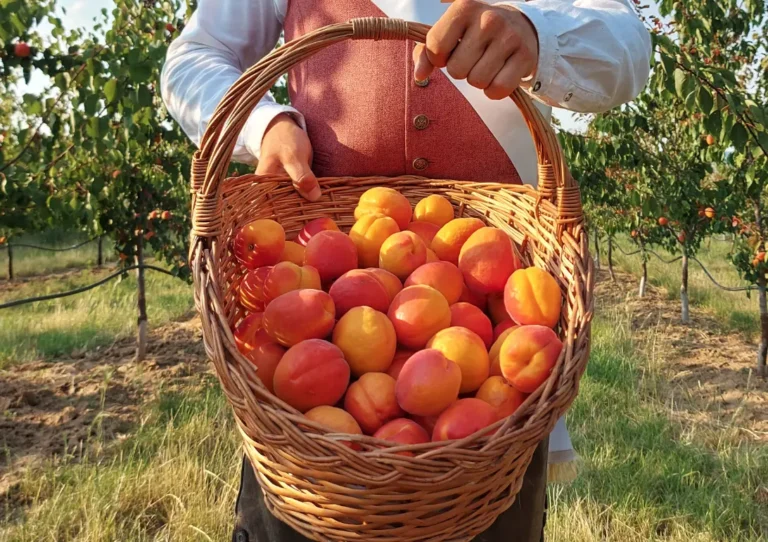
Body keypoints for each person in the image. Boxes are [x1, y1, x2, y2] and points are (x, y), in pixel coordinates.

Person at [161, 1, 650, 540]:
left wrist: (540, 35)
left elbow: (628, 49)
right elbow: (195, 57)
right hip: (310, 421)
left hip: (488, 419)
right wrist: (265, 123)